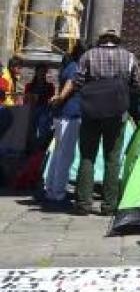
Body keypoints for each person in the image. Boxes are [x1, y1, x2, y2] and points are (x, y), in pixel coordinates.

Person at [52, 28, 140, 216]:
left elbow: (77, 82)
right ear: (117, 39)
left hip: (91, 112)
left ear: (101, 38)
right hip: (117, 114)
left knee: (87, 156)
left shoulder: (88, 56)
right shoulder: (129, 57)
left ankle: (84, 203)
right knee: (112, 157)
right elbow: (137, 84)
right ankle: (109, 205)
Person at [44, 41, 85, 206]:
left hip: (63, 115)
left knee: (57, 153)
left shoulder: (67, 66)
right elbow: (70, 84)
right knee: (66, 155)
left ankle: (51, 189)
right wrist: (60, 98)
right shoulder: (75, 67)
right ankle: (59, 193)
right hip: (71, 114)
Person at [24, 64, 56, 149]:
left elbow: (51, 100)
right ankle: (29, 148)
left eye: (43, 72)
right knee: (30, 130)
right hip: (32, 110)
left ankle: (41, 148)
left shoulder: (50, 86)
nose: (41, 73)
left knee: (43, 129)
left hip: (44, 110)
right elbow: (25, 100)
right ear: (36, 72)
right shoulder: (29, 86)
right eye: (40, 71)